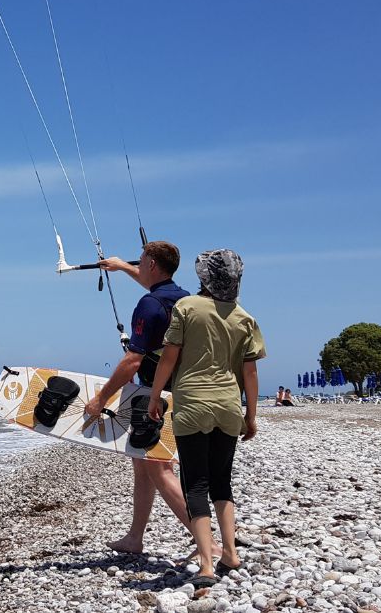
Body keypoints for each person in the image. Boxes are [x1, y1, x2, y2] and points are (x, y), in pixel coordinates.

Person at [147, 248, 265, 588]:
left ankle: (206, 564)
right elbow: (251, 372)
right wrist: (251, 415)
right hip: (229, 406)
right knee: (222, 482)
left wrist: (155, 396)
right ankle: (230, 552)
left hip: (193, 404)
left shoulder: (186, 308)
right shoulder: (245, 317)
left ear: (204, 278)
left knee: (195, 483)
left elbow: (169, 358)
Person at [86, 241, 194, 555]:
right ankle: (135, 538)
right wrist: (120, 267)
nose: (139, 263)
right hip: (179, 391)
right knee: (142, 464)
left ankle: (209, 543)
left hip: (157, 398)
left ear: (152, 264)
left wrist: (101, 399)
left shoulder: (148, 305)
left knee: (160, 469)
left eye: (142, 259)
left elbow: (132, 361)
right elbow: (153, 285)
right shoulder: (184, 298)